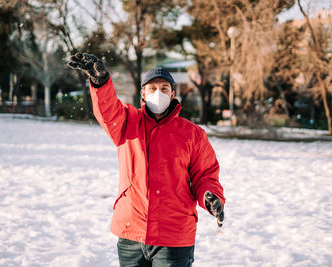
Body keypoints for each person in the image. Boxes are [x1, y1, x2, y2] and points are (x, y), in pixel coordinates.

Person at [68, 53, 225, 267]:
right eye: (152, 88)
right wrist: (101, 82)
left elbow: (206, 175)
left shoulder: (193, 134)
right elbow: (108, 111)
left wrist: (210, 196)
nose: (158, 93)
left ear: (172, 94)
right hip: (131, 232)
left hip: (173, 236)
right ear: (143, 93)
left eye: (164, 88)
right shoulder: (127, 122)